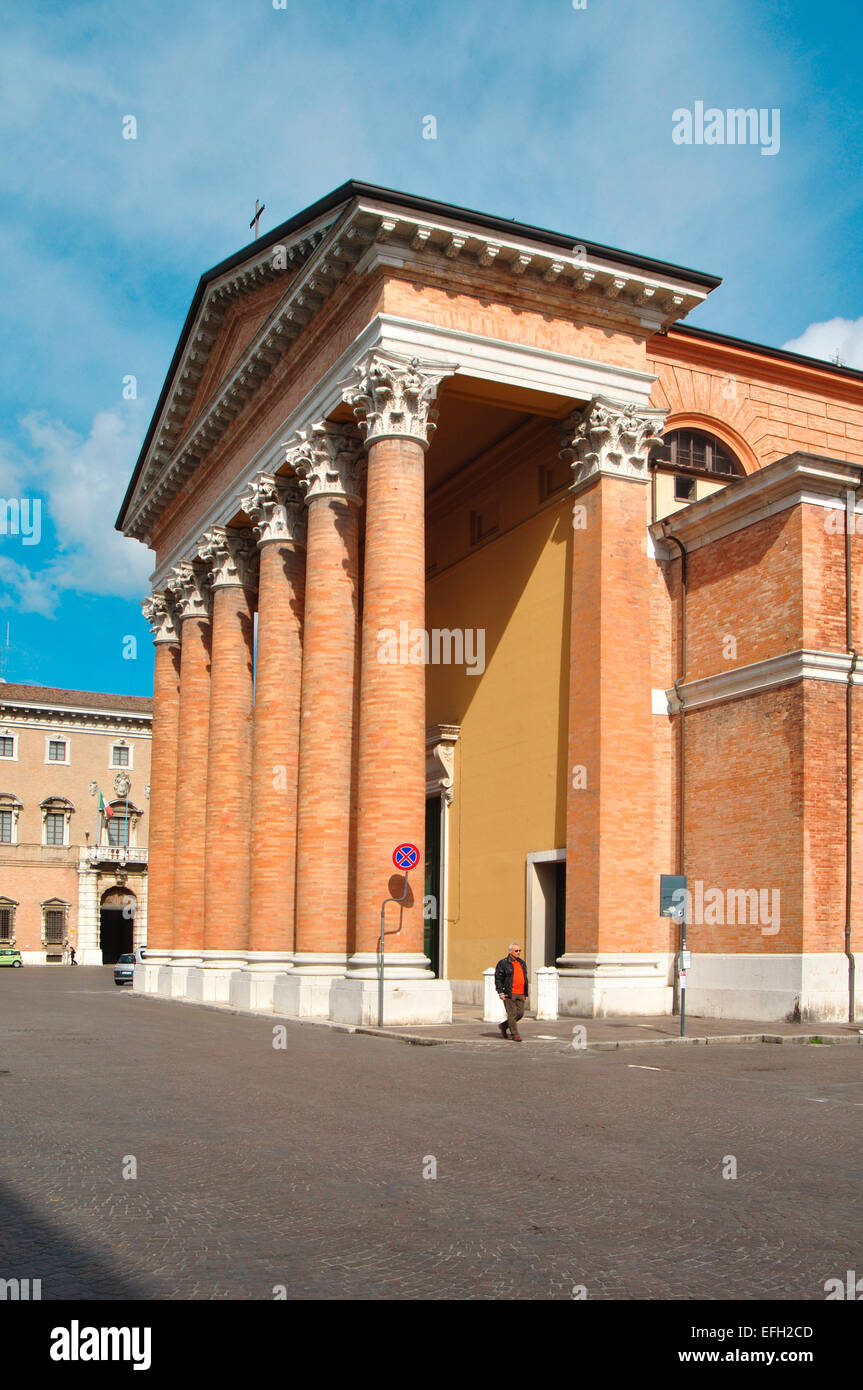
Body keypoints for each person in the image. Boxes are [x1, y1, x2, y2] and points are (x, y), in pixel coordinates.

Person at [494, 942, 528, 1042]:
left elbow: (524, 978)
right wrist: (500, 992)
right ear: (510, 951)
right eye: (516, 951)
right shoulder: (503, 963)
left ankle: (503, 1026)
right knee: (512, 1014)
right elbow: (498, 978)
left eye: (519, 950)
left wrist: (525, 992)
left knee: (520, 1013)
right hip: (509, 992)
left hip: (521, 993)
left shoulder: (522, 963)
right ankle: (515, 1034)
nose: (518, 952)